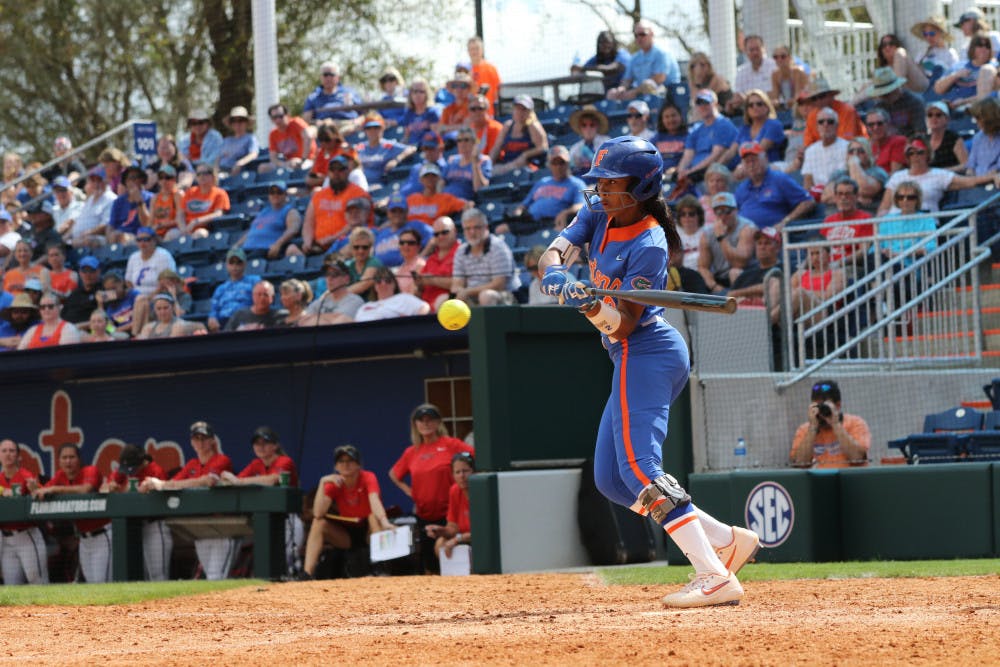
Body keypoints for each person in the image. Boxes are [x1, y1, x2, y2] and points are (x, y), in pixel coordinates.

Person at [538, 136, 756, 607]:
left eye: (610, 183)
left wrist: (590, 305)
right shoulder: (599, 214)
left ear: (639, 188)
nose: (599, 190)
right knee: (611, 480)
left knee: (639, 468)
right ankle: (724, 539)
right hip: (628, 355)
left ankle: (712, 575)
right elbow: (553, 252)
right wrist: (556, 274)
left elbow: (623, 325)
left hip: (647, 350)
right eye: (599, 181)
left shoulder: (651, 244)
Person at [140, 421, 237, 580]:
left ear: (212, 440)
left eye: (204, 438)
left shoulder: (222, 460)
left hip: (222, 526)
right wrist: (154, 484)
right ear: (191, 442)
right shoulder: (192, 464)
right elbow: (173, 484)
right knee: (210, 576)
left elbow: (207, 481)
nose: (200, 442)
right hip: (199, 527)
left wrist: (163, 484)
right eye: (196, 438)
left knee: (217, 576)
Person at [389, 404, 475, 574]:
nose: (426, 423)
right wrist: (408, 491)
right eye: (421, 420)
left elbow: (475, 459)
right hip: (424, 513)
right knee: (429, 563)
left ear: (438, 423)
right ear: (416, 425)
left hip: (448, 513)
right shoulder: (412, 452)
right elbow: (394, 473)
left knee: (446, 554)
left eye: (430, 420)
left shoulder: (450, 444)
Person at [302, 444, 394, 579]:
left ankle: (380, 567)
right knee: (318, 523)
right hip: (347, 535)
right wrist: (322, 482)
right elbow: (318, 513)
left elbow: (374, 500)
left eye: (350, 461)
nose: (346, 465)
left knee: (373, 517)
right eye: (341, 461)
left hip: (369, 531)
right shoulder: (334, 483)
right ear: (336, 466)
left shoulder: (368, 477)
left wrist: (384, 521)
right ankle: (307, 574)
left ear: (358, 465)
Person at [34, 443, 111, 582]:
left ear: (79, 459)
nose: (68, 461)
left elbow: (85, 489)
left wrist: (55, 489)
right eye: (64, 458)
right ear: (59, 461)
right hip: (83, 539)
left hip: (102, 534)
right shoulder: (60, 476)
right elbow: (43, 490)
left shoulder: (90, 470)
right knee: (91, 583)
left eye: (72, 457)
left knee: (102, 582)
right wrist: (34, 488)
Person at [100, 443, 171, 580]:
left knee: (158, 575)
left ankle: (166, 602)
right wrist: (111, 487)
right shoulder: (123, 470)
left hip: (155, 525)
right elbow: (103, 488)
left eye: (132, 468)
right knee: (143, 575)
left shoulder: (155, 471)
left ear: (142, 461)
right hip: (135, 528)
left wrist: (123, 490)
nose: (129, 472)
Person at [878, 136, 1000, 215]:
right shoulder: (897, 177)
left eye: (920, 152)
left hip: (924, 226)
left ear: (928, 154)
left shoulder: (939, 175)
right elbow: (884, 208)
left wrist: (993, 177)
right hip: (894, 226)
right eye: (911, 153)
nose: (915, 156)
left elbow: (970, 182)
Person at [292, 155, 370, 256]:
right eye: (332, 170)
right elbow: (308, 222)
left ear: (347, 171)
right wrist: (307, 241)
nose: (336, 174)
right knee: (291, 250)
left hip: (344, 243)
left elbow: (355, 223)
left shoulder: (358, 194)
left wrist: (331, 238)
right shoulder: (319, 195)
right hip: (318, 245)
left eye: (340, 170)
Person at [790, 379, 871, 468]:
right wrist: (813, 427)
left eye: (824, 407)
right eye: (818, 406)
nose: (821, 412)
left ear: (838, 405)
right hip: (818, 479)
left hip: (849, 479)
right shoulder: (804, 430)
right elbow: (800, 463)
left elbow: (857, 458)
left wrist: (835, 424)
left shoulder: (855, 423)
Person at [0, 438, 49, 584]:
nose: (8, 454)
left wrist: (34, 489)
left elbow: (41, 493)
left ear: (18, 456)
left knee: (37, 581)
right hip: (6, 539)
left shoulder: (25, 475)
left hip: (27, 535)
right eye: (4, 451)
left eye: (12, 451)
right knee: (11, 586)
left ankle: (50, 608)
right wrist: (3, 491)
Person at [734, 141, 815, 230]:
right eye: (747, 162)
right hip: (746, 236)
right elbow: (733, 212)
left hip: (772, 237)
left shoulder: (780, 179)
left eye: (754, 160)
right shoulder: (741, 188)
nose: (751, 165)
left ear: (765, 158)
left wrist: (785, 222)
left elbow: (808, 202)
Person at [451, 208, 519, 306]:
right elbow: (457, 283)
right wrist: (459, 291)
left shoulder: (498, 247)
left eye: (476, 227)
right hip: (471, 296)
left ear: (486, 227)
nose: (472, 232)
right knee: (446, 301)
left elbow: (499, 284)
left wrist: (468, 291)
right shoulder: (461, 251)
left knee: (486, 295)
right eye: (468, 228)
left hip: (503, 296)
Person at [508, 146, 585, 231]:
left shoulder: (577, 184)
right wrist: (518, 213)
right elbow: (525, 204)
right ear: (549, 165)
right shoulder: (542, 182)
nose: (558, 166)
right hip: (531, 222)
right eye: (554, 163)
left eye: (561, 163)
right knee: (501, 229)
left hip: (554, 223)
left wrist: (566, 212)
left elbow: (581, 205)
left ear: (568, 163)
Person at [697, 192, 756, 293]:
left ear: (736, 210)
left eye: (727, 211)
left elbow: (739, 263)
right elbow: (703, 267)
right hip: (720, 279)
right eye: (719, 212)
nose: (723, 216)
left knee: (735, 272)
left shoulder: (747, 228)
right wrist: (714, 286)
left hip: (747, 275)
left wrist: (721, 238)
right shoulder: (707, 233)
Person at [606, 19, 678, 100]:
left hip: (667, 94)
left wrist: (634, 92)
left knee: (648, 84)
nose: (639, 38)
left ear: (652, 34)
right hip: (642, 94)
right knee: (612, 93)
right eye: (636, 35)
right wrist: (622, 88)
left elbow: (659, 78)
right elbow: (627, 79)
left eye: (642, 34)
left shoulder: (662, 53)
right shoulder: (635, 58)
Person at [677, 89, 738, 183]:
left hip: (712, 176)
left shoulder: (723, 124)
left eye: (706, 102)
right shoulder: (696, 129)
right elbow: (687, 156)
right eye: (699, 103)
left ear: (715, 104)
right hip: (693, 175)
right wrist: (680, 172)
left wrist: (691, 172)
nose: (702, 106)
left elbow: (716, 155)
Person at [425, 451, 475, 561]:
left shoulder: (481, 489)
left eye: (465, 471)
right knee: (440, 542)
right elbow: (453, 528)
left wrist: (456, 540)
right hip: (463, 539)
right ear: (453, 475)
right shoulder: (454, 491)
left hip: (479, 541)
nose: (462, 476)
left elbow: (482, 532)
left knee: (450, 543)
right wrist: (440, 530)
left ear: (474, 472)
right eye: (457, 472)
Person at [233, 180, 301, 259]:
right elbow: (252, 230)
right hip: (247, 248)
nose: (275, 195)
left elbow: (293, 230)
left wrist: (277, 244)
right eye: (272, 192)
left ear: (285, 195)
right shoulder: (264, 212)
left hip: (265, 249)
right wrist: (236, 245)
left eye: (279, 192)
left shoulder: (290, 211)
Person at [875, 180, 938, 266]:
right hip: (887, 262)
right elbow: (877, 245)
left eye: (910, 197)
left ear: (917, 199)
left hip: (912, 265)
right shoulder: (887, 219)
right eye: (900, 197)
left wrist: (901, 254)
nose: (905, 200)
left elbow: (930, 246)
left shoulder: (926, 219)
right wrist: (883, 251)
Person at [820, 137, 888, 213]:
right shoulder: (839, 173)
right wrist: (856, 198)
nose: (855, 154)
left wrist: (854, 163)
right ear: (847, 155)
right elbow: (825, 197)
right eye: (851, 151)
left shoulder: (877, 171)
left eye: (861, 151)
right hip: (837, 217)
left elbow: (863, 189)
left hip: (866, 216)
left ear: (868, 154)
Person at [934, 33, 998, 111]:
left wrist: (963, 102)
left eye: (987, 46)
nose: (984, 48)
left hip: (976, 110)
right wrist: (955, 75)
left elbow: (988, 95)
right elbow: (938, 89)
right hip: (950, 108)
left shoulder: (993, 68)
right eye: (980, 45)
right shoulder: (958, 66)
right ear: (972, 48)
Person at [489, 94, 549, 176]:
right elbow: (496, 148)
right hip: (507, 165)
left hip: (526, 167)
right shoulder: (508, 126)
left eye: (524, 109)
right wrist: (488, 163)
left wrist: (525, 155)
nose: (520, 112)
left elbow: (542, 148)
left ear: (530, 112)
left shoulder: (533, 126)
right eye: (517, 109)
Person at [822, 177, 874, 266]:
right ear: (835, 197)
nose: (843, 198)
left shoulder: (865, 219)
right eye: (840, 194)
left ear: (856, 196)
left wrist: (839, 263)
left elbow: (863, 250)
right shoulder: (828, 220)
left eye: (848, 194)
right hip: (826, 267)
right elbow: (818, 248)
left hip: (851, 267)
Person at [728, 227, 783, 312]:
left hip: (773, 319)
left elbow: (777, 287)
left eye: (767, 243)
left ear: (778, 247)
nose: (762, 247)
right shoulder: (746, 274)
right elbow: (730, 295)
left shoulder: (784, 269)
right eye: (759, 243)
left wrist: (740, 293)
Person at [801, 107, 850, 198]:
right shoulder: (810, 151)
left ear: (837, 126)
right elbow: (807, 183)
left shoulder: (848, 147)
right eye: (821, 122)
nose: (825, 124)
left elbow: (846, 178)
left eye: (830, 122)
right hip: (816, 197)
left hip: (839, 196)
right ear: (817, 127)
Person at [299, 257, 364, 326]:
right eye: (327, 274)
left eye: (335, 275)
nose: (329, 278)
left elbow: (340, 322)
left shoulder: (355, 301)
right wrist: (330, 317)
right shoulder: (320, 302)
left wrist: (314, 318)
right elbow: (303, 322)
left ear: (346, 279)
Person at [207, 247, 260, 332]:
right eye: (231, 263)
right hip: (224, 324)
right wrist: (212, 319)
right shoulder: (220, 289)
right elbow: (214, 310)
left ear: (245, 264)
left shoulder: (254, 281)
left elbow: (260, 303)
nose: (235, 266)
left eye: (239, 262)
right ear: (226, 265)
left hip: (246, 322)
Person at [800, 80, 867, 147]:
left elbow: (846, 143)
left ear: (831, 96)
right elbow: (808, 144)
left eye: (822, 96)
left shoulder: (847, 111)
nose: (819, 101)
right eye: (814, 99)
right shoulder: (812, 116)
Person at [349, 266, 430, 321]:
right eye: (378, 281)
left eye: (388, 280)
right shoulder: (365, 306)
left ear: (394, 284)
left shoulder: (404, 298)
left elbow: (425, 307)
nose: (383, 283)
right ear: (375, 287)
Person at [355, 114, 416, 186]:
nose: (373, 131)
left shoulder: (388, 145)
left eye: (376, 128)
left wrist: (396, 160)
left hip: (379, 184)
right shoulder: (360, 147)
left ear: (382, 129)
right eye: (369, 128)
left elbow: (412, 148)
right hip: (360, 184)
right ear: (365, 130)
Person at [417, 216, 460, 311]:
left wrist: (433, 280)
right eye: (436, 234)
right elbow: (421, 285)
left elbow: (461, 282)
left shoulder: (462, 252)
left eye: (444, 232)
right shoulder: (431, 258)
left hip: (450, 306)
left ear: (455, 231)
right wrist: (419, 283)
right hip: (425, 306)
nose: (440, 237)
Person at [732, 89, 786, 164]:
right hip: (746, 167)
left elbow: (758, 151)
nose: (755, 107)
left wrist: (742, 167)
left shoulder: (774, 125)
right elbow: (731, 152)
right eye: (750, 105)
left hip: (769, 168)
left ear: (767, 107)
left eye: (759, 104)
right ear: (747, 110)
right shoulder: (744, 129)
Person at [867, 68, 926, 136]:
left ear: (896, 88)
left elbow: (920, 133)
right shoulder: (879, 106)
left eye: (886, 94)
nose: (883, 97)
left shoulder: (915, 102)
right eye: (881, 94)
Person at [728, 34, 778, 114]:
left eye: (757, 49)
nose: (755, 53)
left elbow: (775, 95)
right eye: (751, 50)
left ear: (763, 49)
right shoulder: (741, 72)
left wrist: (746, 99)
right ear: (745, 51)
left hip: (774, 111)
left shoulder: (774, 66)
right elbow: (737, 96)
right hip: (750, 114)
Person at [71, 168, 117, 249]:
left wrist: (88, 233)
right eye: (93, 181)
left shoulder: (110, 198)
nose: (96, 184)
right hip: (80, 238)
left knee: (88, 241)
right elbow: (80, 220)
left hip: (99, 239)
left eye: (99, 180)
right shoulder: (90, 198)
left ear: (106, 181)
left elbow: (107, 225)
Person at [443, 126, 492, 201]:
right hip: (445, 201)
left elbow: (479, 189)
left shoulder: (483, 160)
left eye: (466, 140)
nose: (462, 143)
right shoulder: (452, 160)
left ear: (474, 142)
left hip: (466, 203)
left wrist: (475, 164)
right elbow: (440, 184)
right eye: (459, 140)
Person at [107, 166, 153, 244]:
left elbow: (147, 224)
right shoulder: (119, 201)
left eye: (135, 177)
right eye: (129, 179)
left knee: (123, 237)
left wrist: (140, 202)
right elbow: (111, 226)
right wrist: (109, 236)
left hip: (140, 236)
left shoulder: (151, 198)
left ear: (142, 179)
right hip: (118, 235)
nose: (132, 181)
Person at [264, 103, 315, 173]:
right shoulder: (273, 134)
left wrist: (302, 160)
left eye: (280, 116)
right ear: (271, 119)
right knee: (263, 168)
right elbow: (273, 158)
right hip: (288, 164)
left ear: (287, 115)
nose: (278, 120)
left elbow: (308, 137)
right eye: (274, 117)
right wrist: (284, 164)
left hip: (307, 161)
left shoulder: (296, 122)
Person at [181, 165, 230, 238]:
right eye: (198, 174)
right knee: (171, 235)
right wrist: (183, 228)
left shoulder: (220, 193)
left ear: (213, 176)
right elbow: (180, 214)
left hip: (207, 229)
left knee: (200, 234)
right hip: (187, 228)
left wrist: (196, 221)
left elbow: (218, 214)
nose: (201, 176)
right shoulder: (190, 192)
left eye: (205, 173)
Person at [398, 132, 449, 199]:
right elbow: (405, 189)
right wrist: (391, 199)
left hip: (424, 205)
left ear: (441, 148)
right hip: (403, 203)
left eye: (431, 148)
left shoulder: (447, 168)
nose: (428, 152)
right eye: (425, 149)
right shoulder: (416, 168)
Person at [568, 105, 612, 178]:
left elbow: (609, 164)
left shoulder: (606, 142)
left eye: (592, 125)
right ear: (580, 128)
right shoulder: (575, 147)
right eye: (584, 125)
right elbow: (570, 168)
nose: (588, 128)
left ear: (597, 126)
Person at [137, 292, 205, 338]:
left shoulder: (178, 326)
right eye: (159, 309)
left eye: (165, 308)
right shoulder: (148, 327)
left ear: (172, 307)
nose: (162, 312)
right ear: (155, 310)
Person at [925, 101, 967, 171]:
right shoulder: (924, 139)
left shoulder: (954, 138)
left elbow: (965, 164)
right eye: (930, 115)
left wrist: (943, 172)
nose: (933, 118)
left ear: (947, 119)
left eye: (938, 115)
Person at [218, 106, 260, 175]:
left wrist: (239, 163)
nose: (237, 123)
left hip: (235, 172)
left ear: (246, 123)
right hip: (219, 171)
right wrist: (214, 170)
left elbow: (253, 154)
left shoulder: (251, 138)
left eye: (241, 120)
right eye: (234, 121)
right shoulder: (226, 141)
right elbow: (218, 157)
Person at [863, 108, 907, 174]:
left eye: (879, 123)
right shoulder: (865, 145)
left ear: (888, 124)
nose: (875, 128)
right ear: (867, 127)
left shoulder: (898, 141)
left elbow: (895, 174)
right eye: (871, 125)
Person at [399, 77, 440, 145]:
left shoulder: (432, 112)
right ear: (410, 94)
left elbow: (436, 134)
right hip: (411, 148)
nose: (418, 95)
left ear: (426, 94)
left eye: (421, 91)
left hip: (426, 148)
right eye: (415, 91)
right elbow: (406, 136)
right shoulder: (408, 113)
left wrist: (430, 135)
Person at [650, 102, 687, 177]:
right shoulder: (656, 138)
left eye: (673, 115)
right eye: (667, 117)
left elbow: (691, 159)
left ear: (680, 116)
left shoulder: (689, 136)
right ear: (662, 120)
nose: (671, 119)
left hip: (679, 176)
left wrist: (677, 169)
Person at [96, 270, 140, 335]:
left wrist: (117, 330)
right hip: (120, 336)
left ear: (121, 283)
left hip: (137, 332)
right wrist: (100, 304)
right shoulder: (110, 308)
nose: (112, 292)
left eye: (114, 288)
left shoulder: (134, 295)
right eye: (108, 290)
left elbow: (140, 320)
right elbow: (108, 328)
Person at [149, 165, 185, 240]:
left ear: (174, 179)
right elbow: (151, 221)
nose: (164, 181)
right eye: (161, 178)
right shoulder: (155, 198)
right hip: (157, 232)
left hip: (173, 231)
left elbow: (180, 220)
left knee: (172, 234)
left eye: (167, 178)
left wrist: (161, 225)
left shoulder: (178, 195)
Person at [62, 256, 102, 324]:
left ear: (98, 271)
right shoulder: (75, 293)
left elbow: (104, 319)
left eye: (91, 271)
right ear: (80, 273)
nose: (88, 274)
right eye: (84, 271)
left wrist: (78, 327)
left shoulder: (103, 290)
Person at [966, 97, 1000, 176]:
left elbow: (997, 170)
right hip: (976, 182)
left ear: (989, 119)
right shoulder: (977, 137)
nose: (976, 122)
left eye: (978, 118)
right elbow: (970, 166)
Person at [436, 72, 476, 137]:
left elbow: (470, 127)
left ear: (469, 89)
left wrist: (447, 128)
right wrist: (461, 126)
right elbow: (440, 129)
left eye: (463, 86)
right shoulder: (447, 109)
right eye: (455, 86)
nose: (459, 89)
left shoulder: (474, 107)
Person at [673, 195, 706, 272]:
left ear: (699, 216)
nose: (687, 217)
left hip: (702, 273)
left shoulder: (707, 232)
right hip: (682, 274)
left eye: (691, 214)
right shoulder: (674, 234)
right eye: (683, 214)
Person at [467, 36, 502, 109]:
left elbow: (498, 91)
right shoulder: (465, 70)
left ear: (482, 50)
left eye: (477, 48)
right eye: (472, 49)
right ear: (468, 51)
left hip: (488, 112)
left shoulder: (491, 68)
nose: (474, 52)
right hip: (470, 112)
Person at [391, 228, 426, 295]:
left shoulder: (420, 265)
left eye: (410, 243)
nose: (405, 245)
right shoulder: (401, 267)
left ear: (418, 246)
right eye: (402, 243)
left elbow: (414, 294)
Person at [51, 176, 84, 243]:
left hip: (74, 243)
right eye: (57, 191)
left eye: (63, 190)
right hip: (59, 244)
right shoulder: (54, 209)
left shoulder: (79, 206)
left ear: (70, 191)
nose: (61, 194)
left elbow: (68, 225)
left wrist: (53, 237)